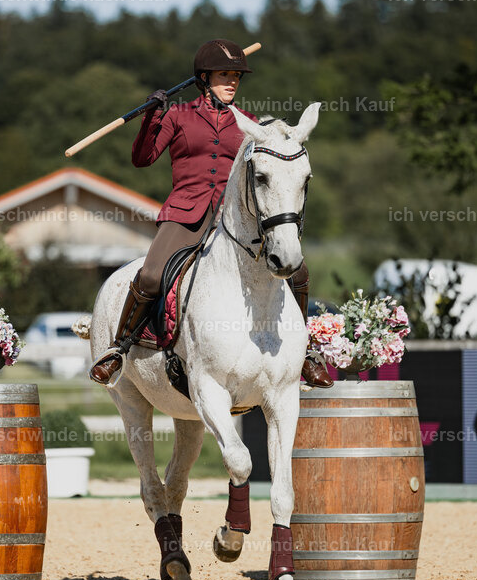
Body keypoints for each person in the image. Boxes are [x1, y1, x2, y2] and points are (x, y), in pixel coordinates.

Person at [89, 38, 332, 388]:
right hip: (186, 212)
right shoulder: (178, 115)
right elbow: (142, 158)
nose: (232, 81)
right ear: (203, 78)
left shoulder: (250, 123)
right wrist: (151, 116)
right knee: (152, 276)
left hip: (236, 218)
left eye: (236, 75)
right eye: (223, 74)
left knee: (299, 271)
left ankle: (305, 353)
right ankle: (119, 349)